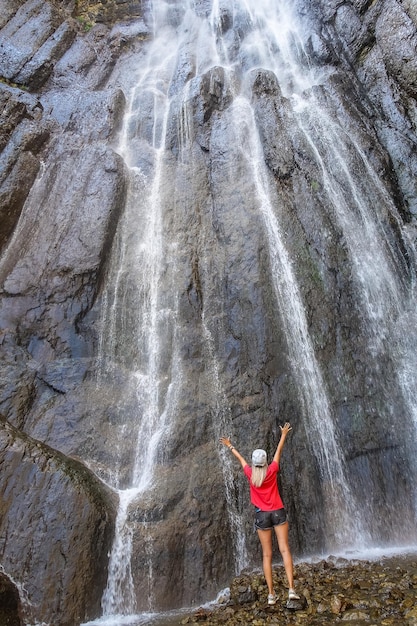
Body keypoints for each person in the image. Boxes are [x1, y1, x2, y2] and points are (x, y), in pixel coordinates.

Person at [220, 423, 299, 605]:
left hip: (261, 515)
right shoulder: (272, 470)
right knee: (285, 549)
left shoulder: (250, 473)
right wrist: (284, 434)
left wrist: (229, 445)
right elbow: (279, 451)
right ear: (265, 462)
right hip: (278, 512)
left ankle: (271, 595)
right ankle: (292, 590)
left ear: (255, 464)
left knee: (267, 555)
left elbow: (240, 459)